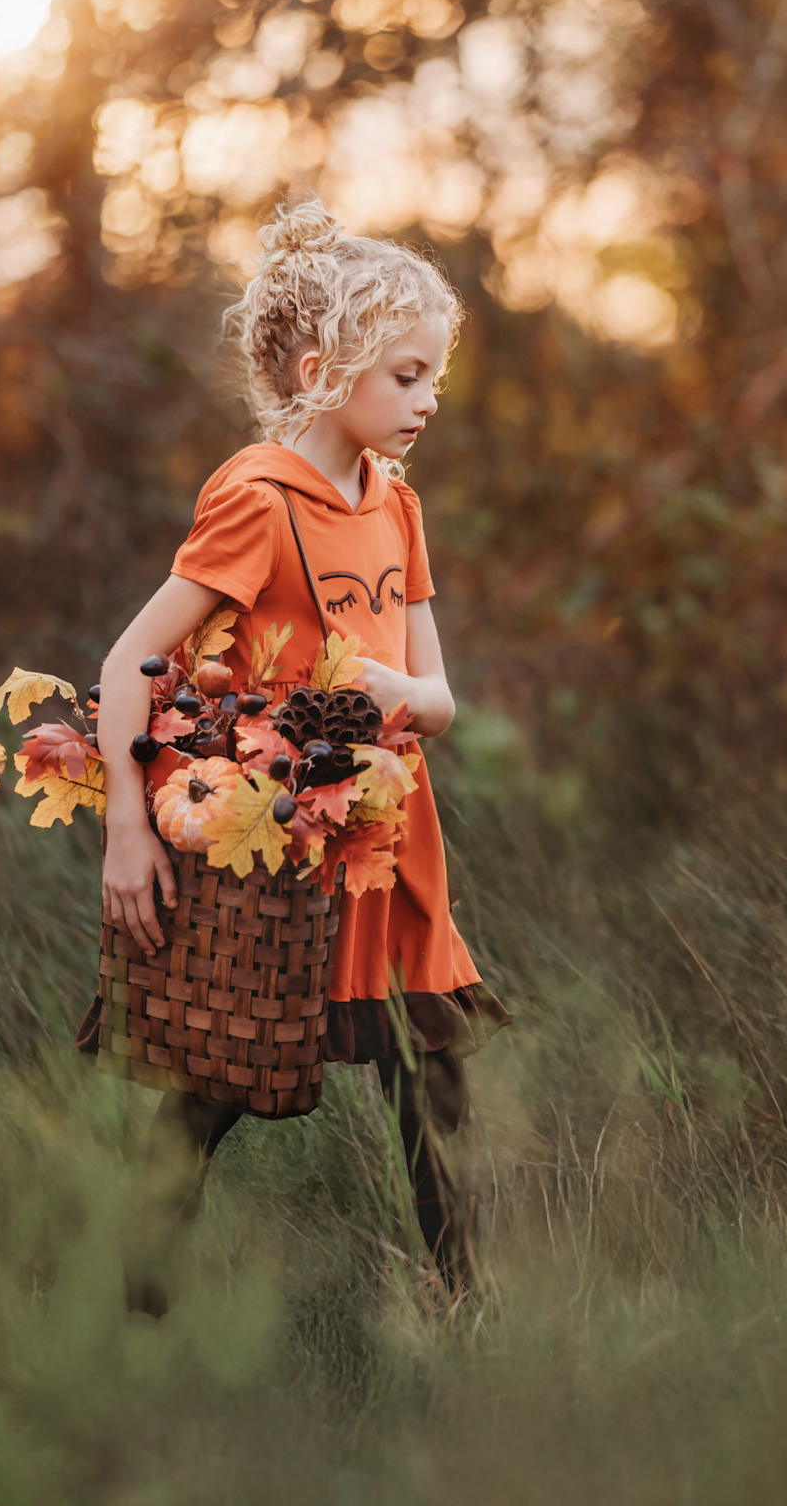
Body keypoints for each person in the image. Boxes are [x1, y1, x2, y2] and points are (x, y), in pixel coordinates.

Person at [85, 194, 510, 1308]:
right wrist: (129, 830)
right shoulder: (257, 498)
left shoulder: (398, 507)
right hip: (283, 841)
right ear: (324, 368)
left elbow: (442, 699)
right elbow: (130, 657)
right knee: (218, 1076)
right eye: (405, 374)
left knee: (433, 1068)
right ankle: (135, 1314)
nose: (428, 399)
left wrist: (399, 693)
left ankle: (463, 1305)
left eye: (433, 375)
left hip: (392, 833)